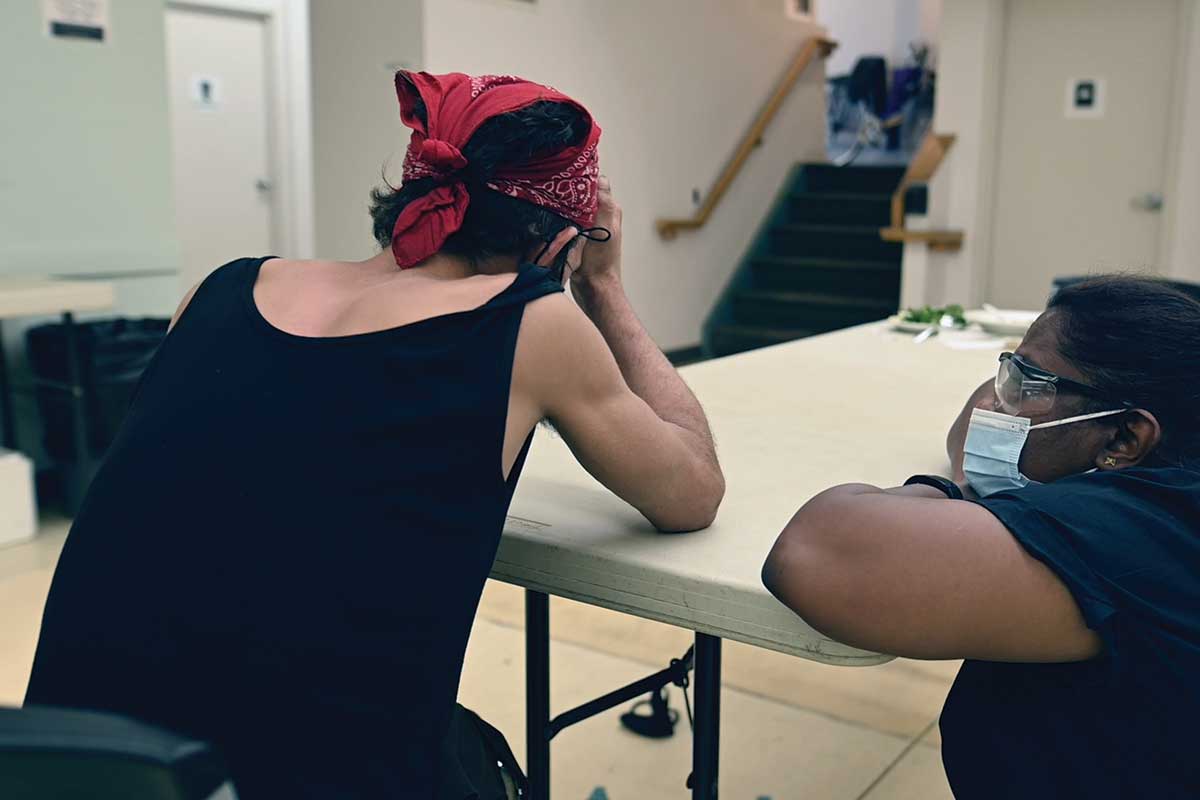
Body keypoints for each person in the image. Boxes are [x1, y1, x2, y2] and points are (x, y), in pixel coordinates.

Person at [24, 71, 724, 799]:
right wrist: (603, 284)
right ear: (559, 240)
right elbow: (693, 490)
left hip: (83, 766)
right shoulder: (527, 323)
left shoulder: (221, 290)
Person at [762, 276, 1200, 798]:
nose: (998, 403)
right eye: (1006, 371)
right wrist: (1018, 408)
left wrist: (965, 490)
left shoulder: (1137, 529)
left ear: (1126, 436)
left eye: (1026, 384)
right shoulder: (1167, 471)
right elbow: (977, 418)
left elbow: (816, 555)